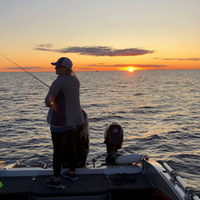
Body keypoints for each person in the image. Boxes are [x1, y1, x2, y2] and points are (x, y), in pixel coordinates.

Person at [45, 57, 84, 188]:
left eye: (58, 67)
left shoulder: (59, 81)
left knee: (57, 150)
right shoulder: (75, 80)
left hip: (59, 120)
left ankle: (56, 180)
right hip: (72, 120)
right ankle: (72, 173)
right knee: (71, 146)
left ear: (65, 68)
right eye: (55, 66)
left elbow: (47, 101)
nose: (55, 69)